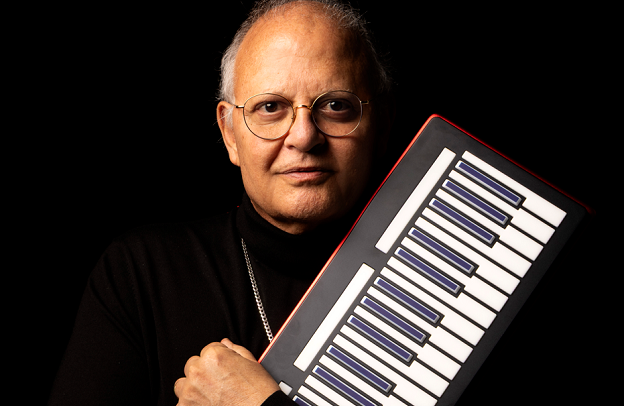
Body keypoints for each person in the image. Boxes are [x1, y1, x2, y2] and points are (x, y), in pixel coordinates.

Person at [48, 1, 394, 405]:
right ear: (229, 133)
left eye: (336, 105)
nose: (304, 137)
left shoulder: (448, 267)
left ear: (380, 125)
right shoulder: (139, 273)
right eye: (270, 107)